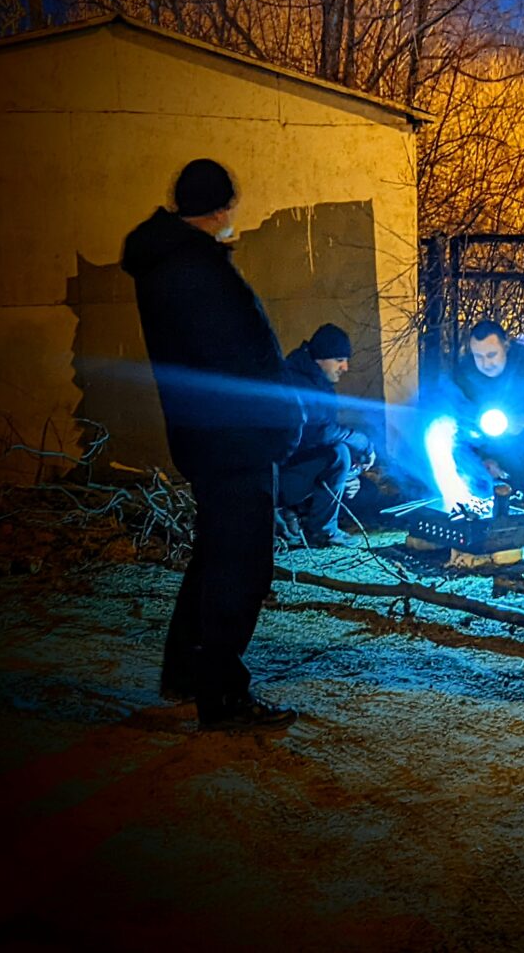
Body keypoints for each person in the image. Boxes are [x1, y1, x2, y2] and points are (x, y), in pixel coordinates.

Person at [122, 158, 305, 732]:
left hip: (207, 438)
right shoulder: (200, 271)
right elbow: (242, 362)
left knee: (213, 558)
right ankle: (222, 695)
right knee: (240, 567)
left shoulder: (163, 266)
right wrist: (283, 418)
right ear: (221, 208)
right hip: (238, 441)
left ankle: (186, 671)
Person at [451, 319, 524, 521]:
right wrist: (482, 458)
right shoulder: (466, 373)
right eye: (478, 356)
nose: (486, 363)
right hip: (489, 440)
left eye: (491, 355)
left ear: (505, 345)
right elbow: (461, 416)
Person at [277, 323, 375, 548]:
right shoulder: (298, 381)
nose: (345, 367)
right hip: (277, 476)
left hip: (296, 469)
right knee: (339, 453)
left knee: (365, 489)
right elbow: (319, 433)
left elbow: (324, 434)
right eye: (339, 360)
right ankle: (323, 531)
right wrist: (361, 442)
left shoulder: (314, 377)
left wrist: (351, 471)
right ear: (320, 358)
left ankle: (299, 516)